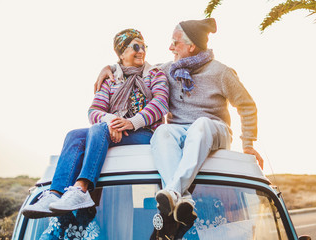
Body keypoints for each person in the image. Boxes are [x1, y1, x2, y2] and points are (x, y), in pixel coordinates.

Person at [95, 18, 264, 227]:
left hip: (213, 130)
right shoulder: (167, 70)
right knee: (163, 131)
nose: (170, 47)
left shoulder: (221, 72)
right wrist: (110, 67)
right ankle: (183, 199)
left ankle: (173, 190)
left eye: (175, 42)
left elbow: (247, 105)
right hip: (179, 132)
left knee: (201, 125)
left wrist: (248, 144)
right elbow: (134, 66)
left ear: (191, 46)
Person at [22, 28, 169, 219]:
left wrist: (130, 123)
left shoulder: (155, 74)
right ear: (122, 52)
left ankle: (82, 188)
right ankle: (55, 193)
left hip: (147, 133)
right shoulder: (110, 79)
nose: (141, 51)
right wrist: (112, 123)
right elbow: (94, 111)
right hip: (110, 131)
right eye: (135, 46)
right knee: (73, 135)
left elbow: (161, 102)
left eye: (143, 46)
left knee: (98, 129)